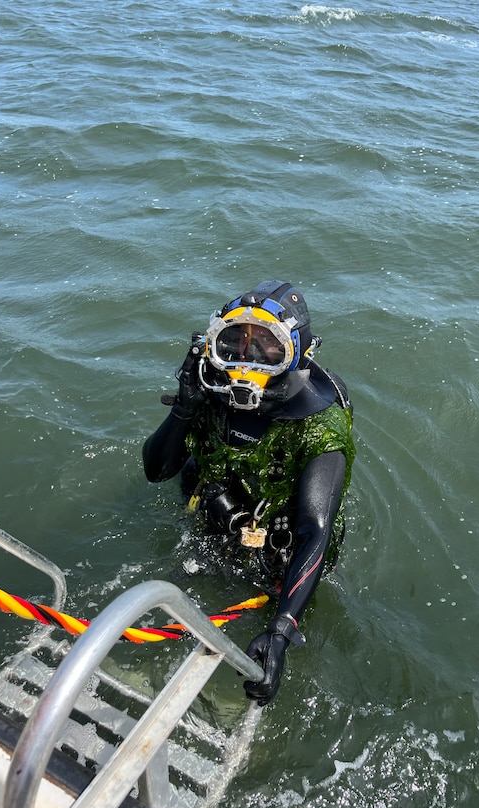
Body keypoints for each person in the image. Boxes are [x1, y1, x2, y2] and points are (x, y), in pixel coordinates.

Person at [142, 280, 355, 705]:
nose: (246, 361)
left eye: (268, 348)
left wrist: (281, 630)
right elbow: (156, 471)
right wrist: (185, 408)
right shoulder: (211, 391)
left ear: (298, 353)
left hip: (283, 547)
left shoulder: (319, 426)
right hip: (218, 516)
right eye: (235, 343)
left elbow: (316, 529)